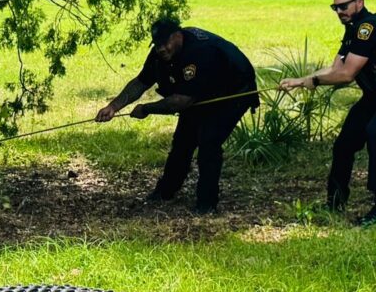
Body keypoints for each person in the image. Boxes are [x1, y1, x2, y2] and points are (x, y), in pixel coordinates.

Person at [280, 0, 376, 226]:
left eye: (343, 6)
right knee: (344, 144)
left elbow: (346, 75)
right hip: (375, 97)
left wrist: (314, 80)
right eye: (335, 7)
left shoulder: (369, 28)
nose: (339, 11)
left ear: (359, 2)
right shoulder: (353, 27)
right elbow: (336, 67)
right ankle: (335, 202)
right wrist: (301, 81)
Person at [96, 18, 259, 213]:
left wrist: (146, 109)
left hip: (233, 93)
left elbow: (180, 102)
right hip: (200, 93)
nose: (161, 49)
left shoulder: (200, 52)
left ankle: (207, 204)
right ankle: (166, 191)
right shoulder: (159, 55)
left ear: (178, 35)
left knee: (208, 141)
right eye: (157, 44)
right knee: (183, 140)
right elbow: (142, 81)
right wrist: (113, 106)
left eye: (165, 43)